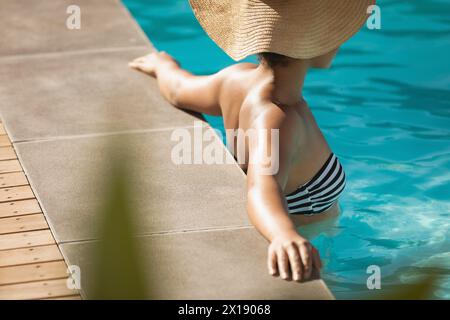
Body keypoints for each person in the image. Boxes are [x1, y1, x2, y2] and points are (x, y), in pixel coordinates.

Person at [129, 0, 375, 283]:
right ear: (312, 44)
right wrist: (284, 236)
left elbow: (179, 89)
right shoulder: (279, 117)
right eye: (333, 31)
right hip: (314, 250)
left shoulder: (236, 80)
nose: (341, 38)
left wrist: (164, 66)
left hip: (320, 238)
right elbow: (262, 185)